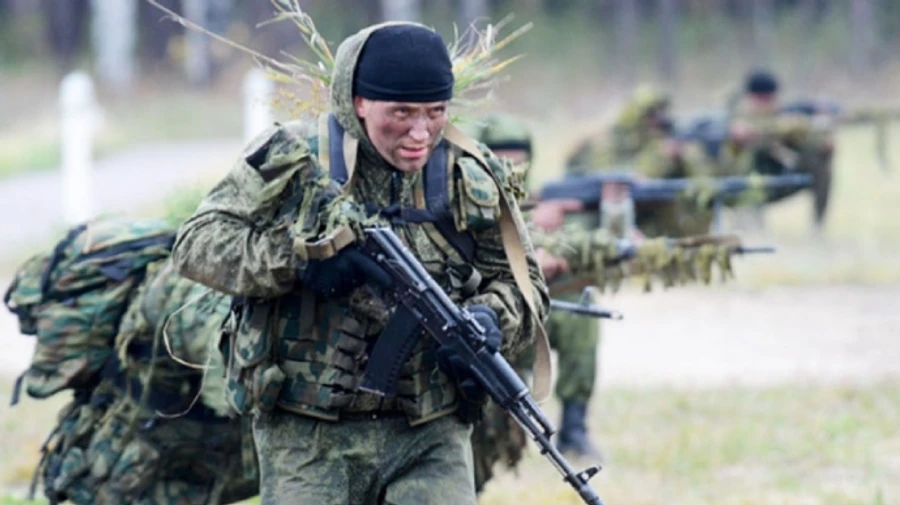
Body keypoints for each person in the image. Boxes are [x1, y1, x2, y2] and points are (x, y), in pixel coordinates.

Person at [171, 22, 548, 505]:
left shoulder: (469, 174)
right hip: (308, 432)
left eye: (436, 112)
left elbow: (524, 283)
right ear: (359, 103)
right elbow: (197, 244)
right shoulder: (292, 159)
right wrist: (301, 261)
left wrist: (491, 317)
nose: (420, 132)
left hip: (430, 431)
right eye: (402, 113)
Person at [5, 254, 258, 505]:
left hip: (181, 450)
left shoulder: (220, 277)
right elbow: (232, 386)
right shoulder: (194, 299)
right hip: (143, 458)